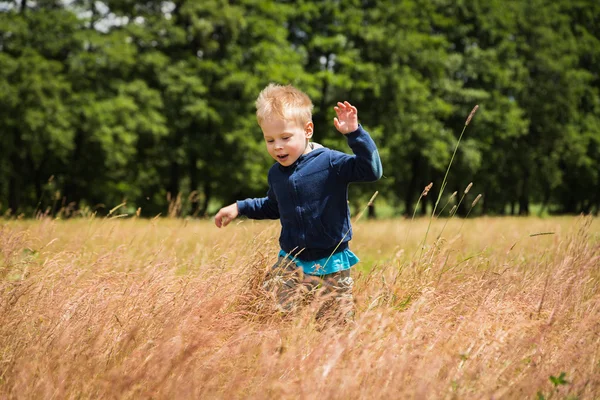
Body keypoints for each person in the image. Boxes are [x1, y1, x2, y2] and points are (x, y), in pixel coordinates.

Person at [214, 83, 382, 321]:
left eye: (285, 137)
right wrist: (239, 207)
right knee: (272, 313)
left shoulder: (330, 162)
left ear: (307, 130)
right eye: (269, 140)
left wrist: (355, 134)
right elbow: (273, 207)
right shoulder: (276, 174)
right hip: (291, 261)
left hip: (331, 262)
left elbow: (371, 170)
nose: (278, 146)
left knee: (334, 326)